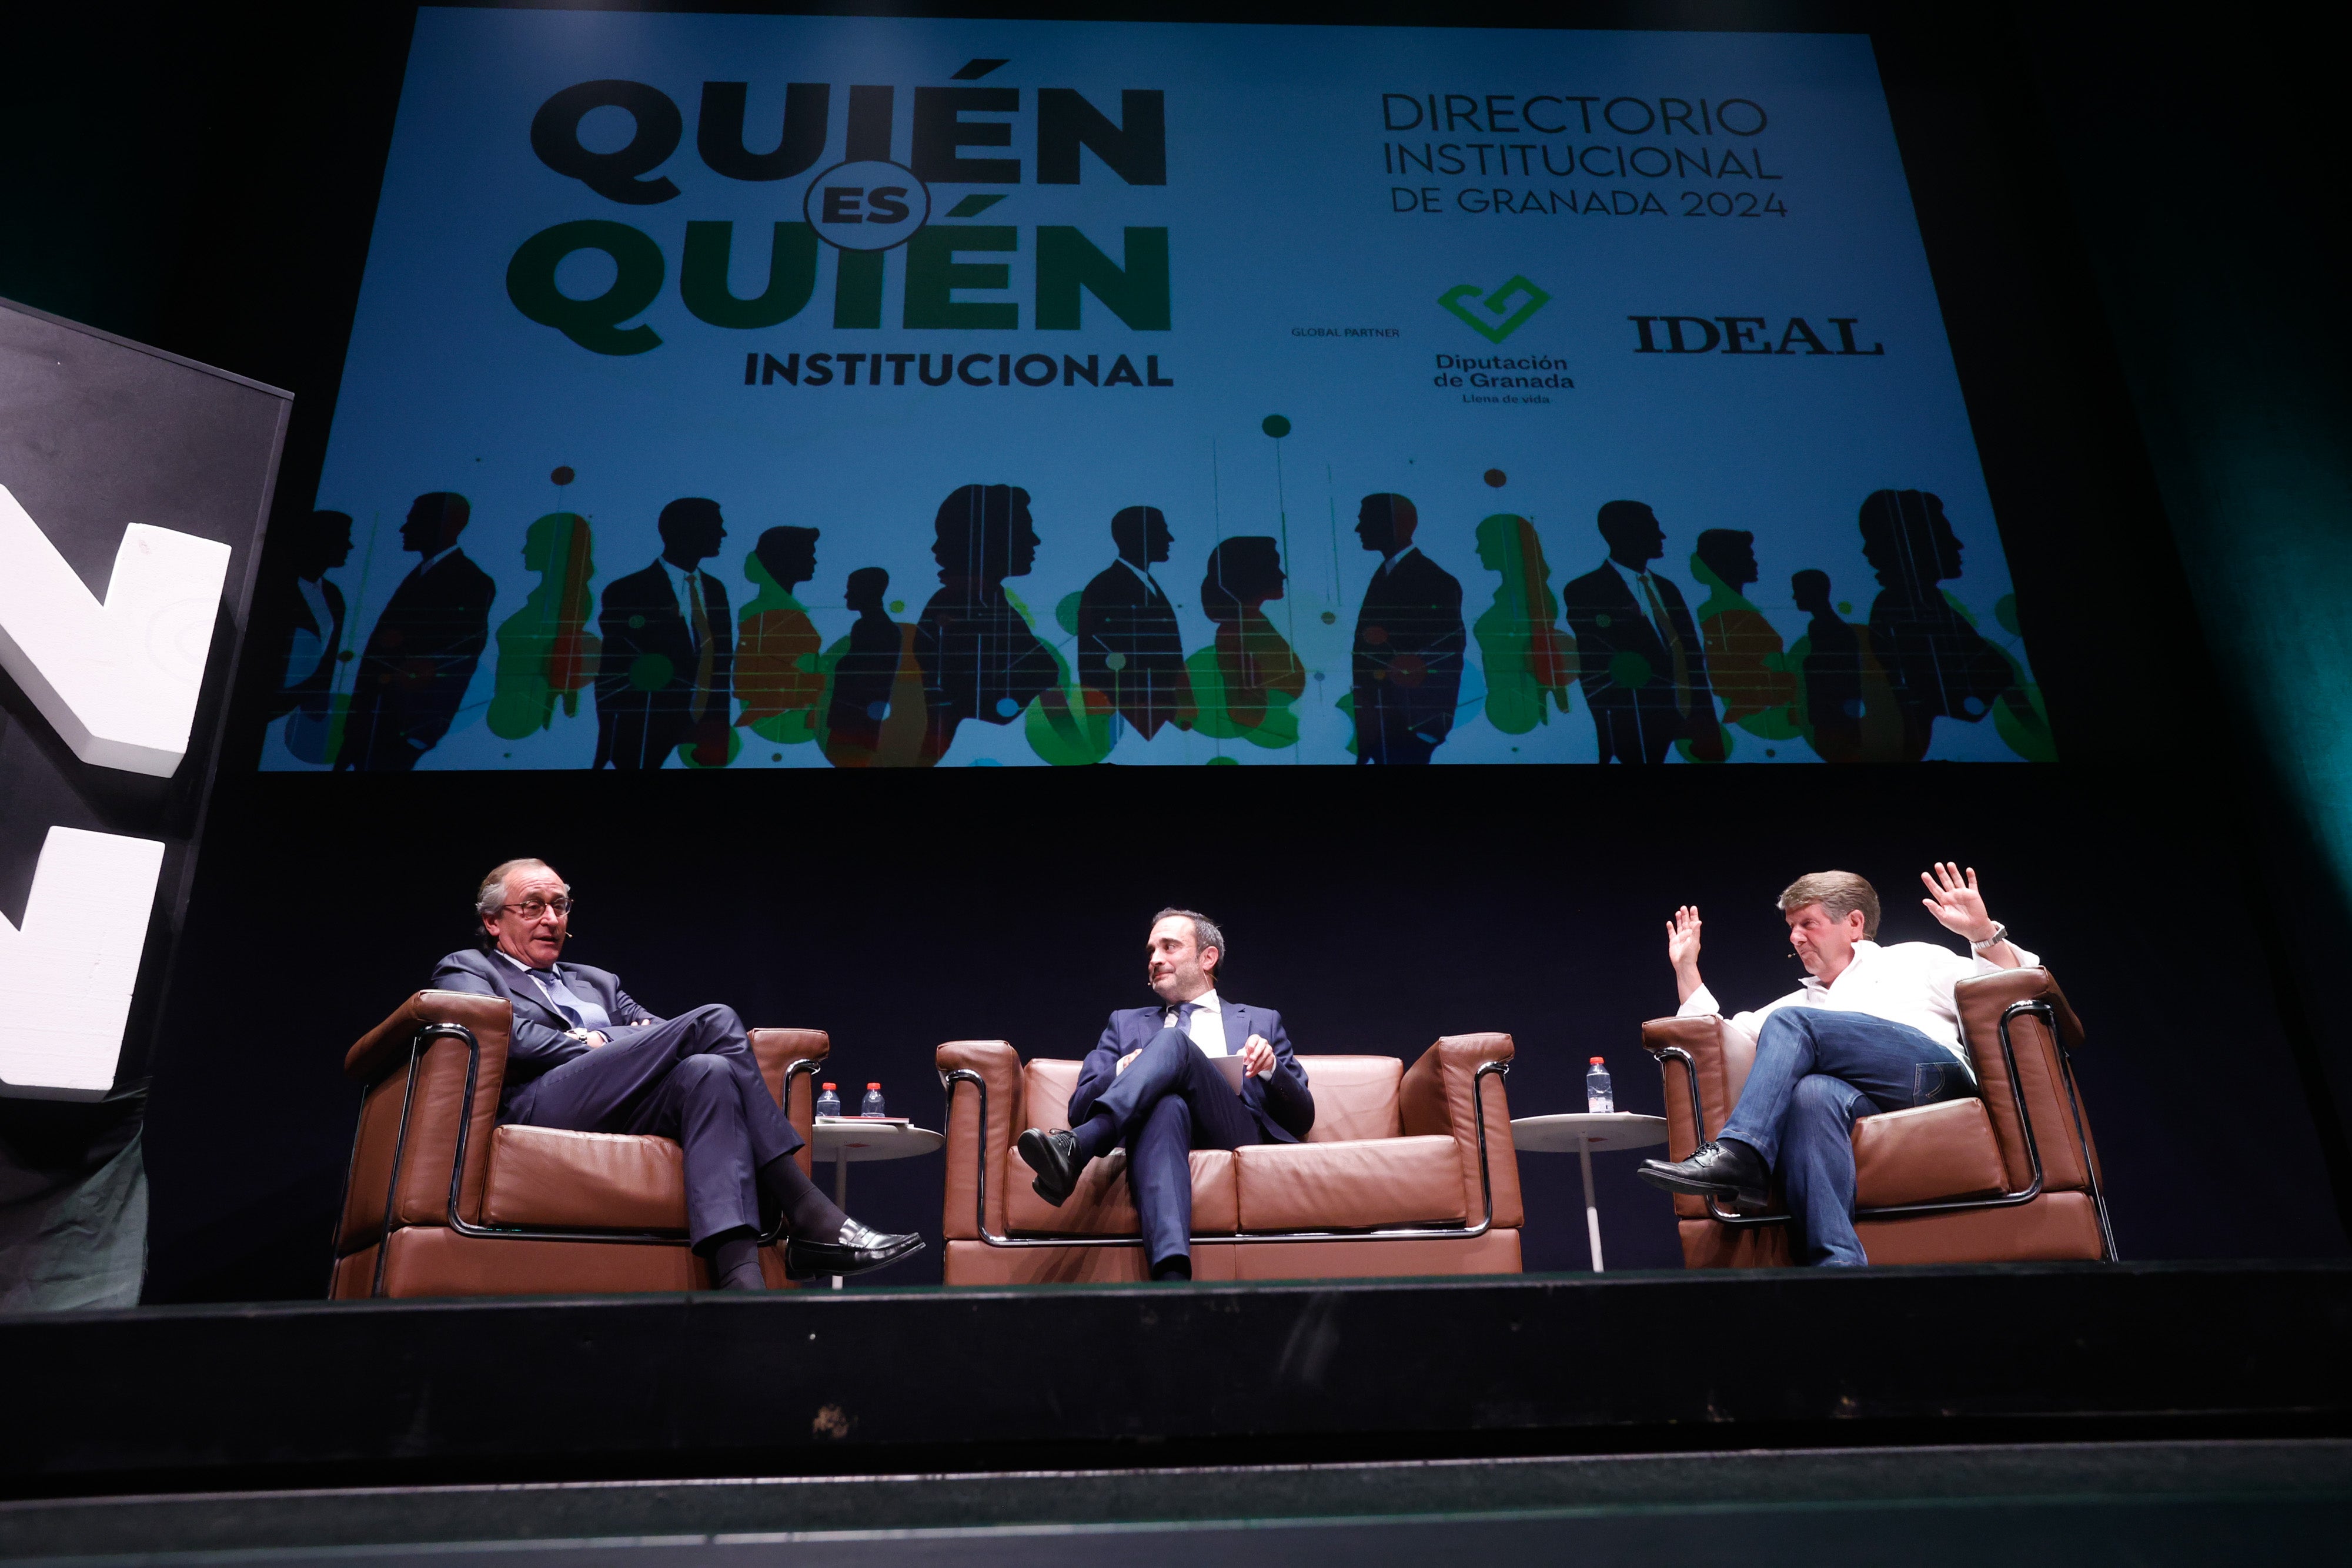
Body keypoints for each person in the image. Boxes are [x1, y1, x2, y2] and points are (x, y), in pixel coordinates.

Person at [432, 858, 921, 1288]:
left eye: (560, 905)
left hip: (618, 1103)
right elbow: (510, 1038)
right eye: (533, 906)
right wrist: (593, 1044)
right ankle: (807, 1209)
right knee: (714, 1020)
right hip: (541, 1104)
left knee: (708, 1070)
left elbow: (661, 1033)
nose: (551, 918)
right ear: (493, 921)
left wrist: (612, 1042)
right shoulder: (470, 969)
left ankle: (740, 1279)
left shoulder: (598, 982)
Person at [1636, 865, 2039, 1266]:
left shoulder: (1914, 958)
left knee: (1791, 1025)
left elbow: (2010, 989)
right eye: (1792, 926)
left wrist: (1983, 933)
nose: (1795, 937)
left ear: (1854, 923)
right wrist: (1687, 969)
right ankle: (1837, 1264)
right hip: (1865, 1100)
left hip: (1933, 1078)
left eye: (1807, 923)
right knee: (1812, 1095)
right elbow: (1719, 1039)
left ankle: (1741, 1156)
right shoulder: (1795, 1007)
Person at [1014, 910, 1315, 1281]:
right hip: (1159, 1135)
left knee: (1173, 1041)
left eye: (1169, 947)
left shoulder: (1261, 1020)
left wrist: (1270, 1068)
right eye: (1152, 950)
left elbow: (1303, 1119)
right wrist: (1122, 1070)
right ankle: (1171, 1280)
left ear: (1208, 958)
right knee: (1167, 1104)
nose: (1155, 959)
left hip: (1233, 1130)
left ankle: (1078, 1148)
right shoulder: (1124, 1023)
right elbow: (1079, 1107)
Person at [336, 493, 496, 771]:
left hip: (400, 735)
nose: (404, 529)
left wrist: (418, 738)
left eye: (415, 520)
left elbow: (458, 662)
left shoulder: (470, 581)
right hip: (370, 729)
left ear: (445, 523)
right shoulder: (422, 574)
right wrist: (356, 728)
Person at [1857, 490, 2016, 762]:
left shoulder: (1928, 604)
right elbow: (1945, 690)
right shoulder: (1902, 606)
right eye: (1943, 534)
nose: (1957, 545)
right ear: (1913, 544)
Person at [1560, 500, 1722, 764]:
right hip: (1635, 726)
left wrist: (1705, 720)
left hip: (1689, 722)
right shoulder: (1585, 589)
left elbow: (1691, 656)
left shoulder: (1668, 589)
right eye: (1652, 528)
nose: (1662, 536)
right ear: (1624, 533)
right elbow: (1599, 662)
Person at [913, 483, 1058, 761]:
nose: (1035, 540)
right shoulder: (958, 607)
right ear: (989, 537)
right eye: (1024, 530)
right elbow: (986, 707)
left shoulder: (985, 602)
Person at [594, 497, 735, 770]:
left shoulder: (716, 590)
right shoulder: (628, 590)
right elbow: (613, 674)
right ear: (688, 529)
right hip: (645, 733)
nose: (723, 534)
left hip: (707, 734)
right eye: (715, 526)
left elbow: (720, 662)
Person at [1349, 493, 1465, 764]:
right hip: (1380, 733)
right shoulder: (1384, 575)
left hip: (1408, 736)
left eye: (1366, 521)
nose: (1359, 529)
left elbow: (1445, 660)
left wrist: (1423, 734)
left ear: (1392, 523)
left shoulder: (1435, 581)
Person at [1075, 505, 1191, 740]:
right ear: (1140, 536)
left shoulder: (1149, 585)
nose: (1170, 539)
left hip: (1161, 722)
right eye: (1162, 531)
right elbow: (1095, 667)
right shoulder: (1104, 588)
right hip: (1135, 724)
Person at [486, 511, 600, 742]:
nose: (524, 551)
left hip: (523, 703)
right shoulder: (547, 599)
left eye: (532, 542)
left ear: (553, 546)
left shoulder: (566, 604)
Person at [1191, 536, 1303, 747]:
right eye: (1274, 567)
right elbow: (1244, 713)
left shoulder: (1256, 623)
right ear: (1250, 576)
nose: (1283, 576)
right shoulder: (1235, 633)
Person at [1471, 512, 1576, 735]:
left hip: (1521, 705)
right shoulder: (1514, 596)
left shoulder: (1531, 601)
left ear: (1503, 545)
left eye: (1483, 543)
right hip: (1506, 706)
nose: (1478, 551)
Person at [1689, 528, 1797, 743]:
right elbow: (1727, 678)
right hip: (1763, 717)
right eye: (1748, 557)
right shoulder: (1724, 617)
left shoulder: (1739, 612)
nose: (1755, 564)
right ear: (1727, 562)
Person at [265, 509, 354, 763]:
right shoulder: (279, 584)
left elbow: (326, 660)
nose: (350, 546)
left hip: (291, 705)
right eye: (343, 538)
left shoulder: (334, 596)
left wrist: (316, 710)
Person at [734, 525, 825, 747]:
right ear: (786, 558)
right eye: (809, 555)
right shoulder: (767, 613)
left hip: (797, 716)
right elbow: (759, 677)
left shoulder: (785, 609)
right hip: (781, 717)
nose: (814, 562)